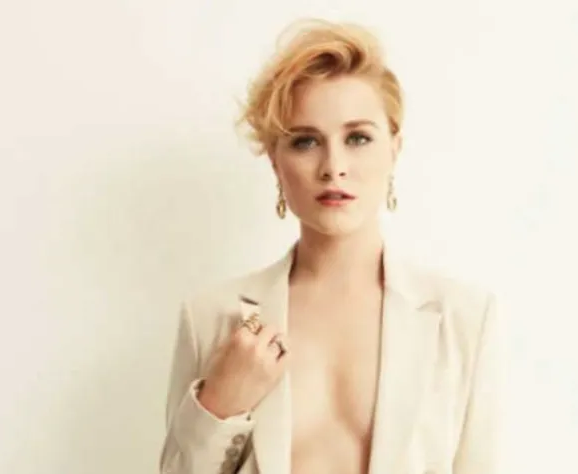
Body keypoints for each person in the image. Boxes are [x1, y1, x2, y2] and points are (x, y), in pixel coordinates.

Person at [159, 18, 501, 474]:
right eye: (305, 142)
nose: (333, 166)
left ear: (394, 148)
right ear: (276, 162)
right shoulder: (213, 317)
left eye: (358, 138)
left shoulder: (463, 318)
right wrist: (219, 405)